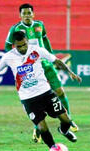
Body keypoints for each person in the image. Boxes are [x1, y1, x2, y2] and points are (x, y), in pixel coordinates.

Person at [0, 31, 81, 151]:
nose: (22, 48)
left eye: (24, 44)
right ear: (14, 45)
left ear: (27, 41)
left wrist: (70, 72)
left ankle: (63, 131)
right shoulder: (8, 56)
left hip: (46, 93)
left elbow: (56, 60)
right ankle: (53, 148)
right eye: (19, 46)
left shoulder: (37, 50)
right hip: (28, 99)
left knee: (66, 120)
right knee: (42, 127)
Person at [5, 3, 79, 143]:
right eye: (24, 13)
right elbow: (8, 45)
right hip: (31, 67)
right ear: (20, 15)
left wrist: (50, 56)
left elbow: (45, 39)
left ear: (33, 14)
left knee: (60, 92)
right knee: (36, 98)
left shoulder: (40, 25)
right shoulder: (16, 29)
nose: (27, 15)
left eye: (29, 13)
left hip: (45, 63)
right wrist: (17, 60)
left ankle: (68, 121)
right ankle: (37, 127)